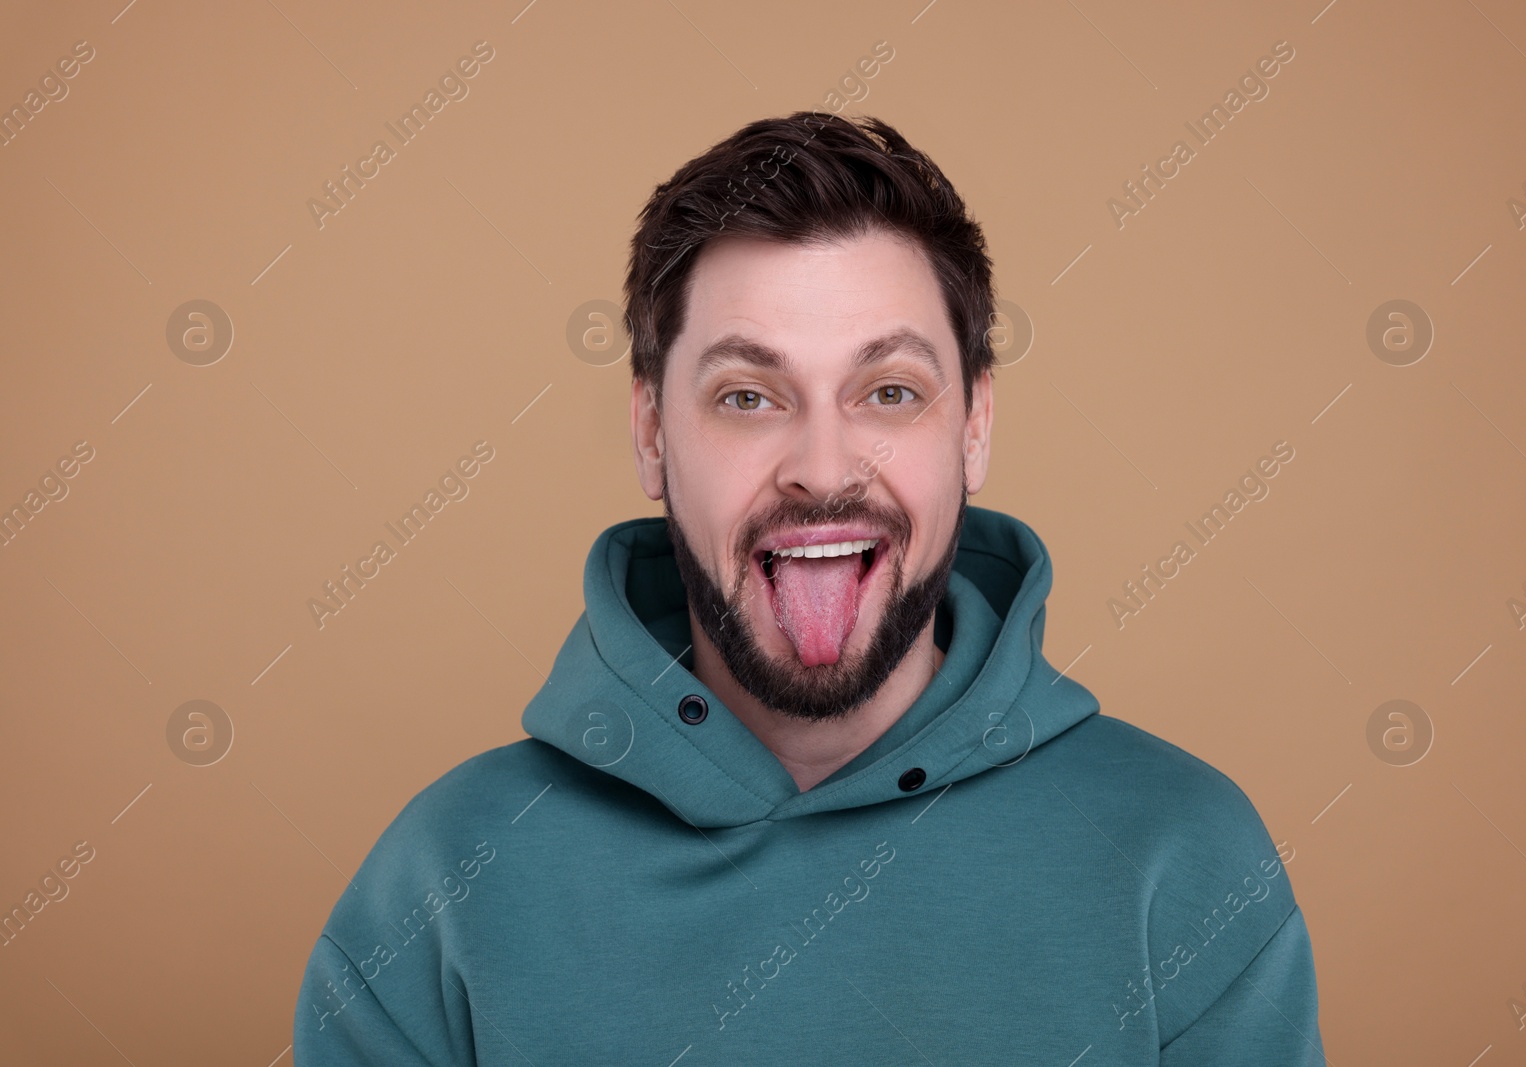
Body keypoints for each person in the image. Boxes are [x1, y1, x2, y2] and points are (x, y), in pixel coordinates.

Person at [294, 111, 1325, 1064]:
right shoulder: (446, 878)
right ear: (652, 432)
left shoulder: (1181, 856)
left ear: (973, 427)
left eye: (889, 391)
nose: (824, 469)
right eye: (747, 395)